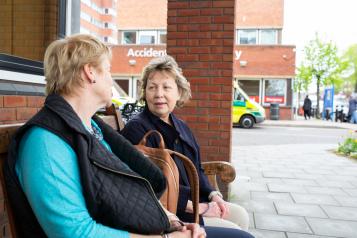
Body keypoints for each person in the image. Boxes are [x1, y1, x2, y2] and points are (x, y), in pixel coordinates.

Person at [3, 34, 209, 238]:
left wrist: (171, 220)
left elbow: (125, 188)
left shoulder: (92, 128)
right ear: (90, 72)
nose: (111, 78)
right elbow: (76, 233)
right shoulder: (45, 143)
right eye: (108, 70)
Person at [121, 55, 253, 237]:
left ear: (179, 92)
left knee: (241, 215)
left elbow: (197, 168)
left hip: (196, 201)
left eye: (166, 87)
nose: (159, 94)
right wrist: (201, 208)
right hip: (173, 215)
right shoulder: (137, 130)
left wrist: (213, 194)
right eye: (152, 87)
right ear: (145, 92)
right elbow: (148, 185)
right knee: (237, 232)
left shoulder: (181, 125)